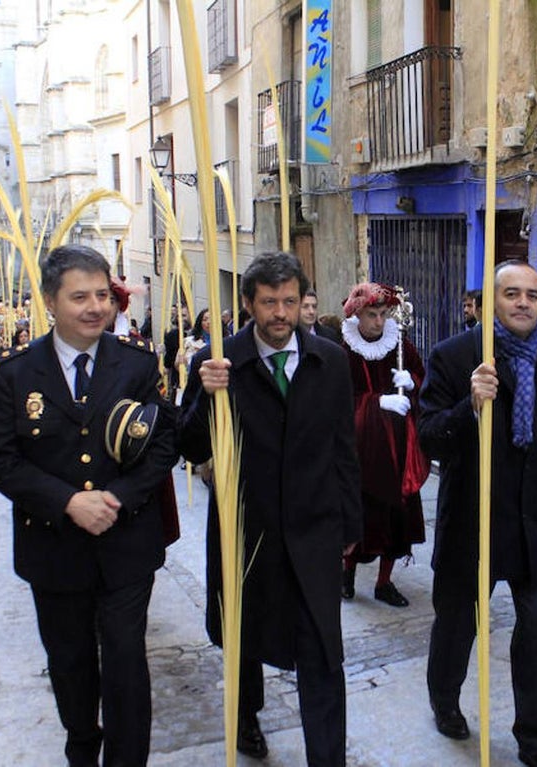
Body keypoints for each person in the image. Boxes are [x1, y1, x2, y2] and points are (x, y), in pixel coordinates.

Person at [0, 244, 177, 767]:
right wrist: (67, 501)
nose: (95, 307)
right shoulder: (14, 375)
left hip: (126, 545)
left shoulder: (137, 365)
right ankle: (82, 749)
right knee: (70, 666)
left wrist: (117, 497)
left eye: (102, 295)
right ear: (50, 301)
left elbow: (162, 444)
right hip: (54, 550)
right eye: (80, 297)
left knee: (125, 665)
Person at [178, 251, 362, 766]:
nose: (280, 313)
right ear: (247, 303)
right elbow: (189, 446)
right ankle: (245, 716)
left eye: (289, 301)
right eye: (268, 302)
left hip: (314, 528)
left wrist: (351, 522)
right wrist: (205, 395)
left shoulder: (330, 361)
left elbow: (343, 447)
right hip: (246, 530)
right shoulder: (217, 361)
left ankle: (327, 758)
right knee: (244, 636)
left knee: (323, 649)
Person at [420, 260, 537, 767]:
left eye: (532, 294)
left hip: (535, 526)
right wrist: (469, 406)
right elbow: (428, 438)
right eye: (511, 293)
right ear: (491, 301)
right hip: (474, 523)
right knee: (457, 626)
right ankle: (445, 700)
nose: (523, 303)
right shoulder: (455, 356)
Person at [339, 282, 428, 607]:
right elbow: (339, 403)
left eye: (383, 314)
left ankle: (384, 582)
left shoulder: (400, 345)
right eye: (372, 315)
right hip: (362, 452)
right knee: (362, 516)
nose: (379, 321)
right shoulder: (343, 352)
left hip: (399, 447)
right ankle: (347, 572)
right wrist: (377, 403)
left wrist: (413, 383)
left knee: (396, 518)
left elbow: (423, 379)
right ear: (357, 315)